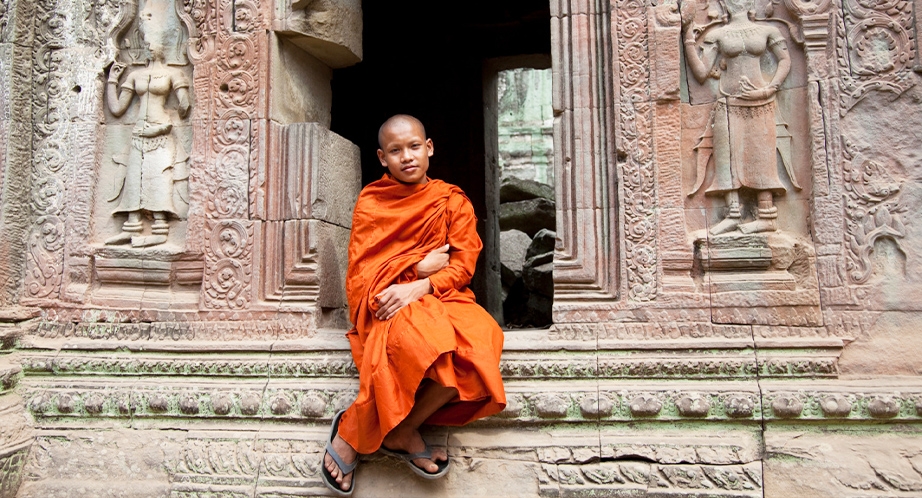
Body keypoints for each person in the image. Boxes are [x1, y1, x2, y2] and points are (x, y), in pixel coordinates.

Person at [321, 115, 507, 495]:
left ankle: (399, 429)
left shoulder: (451, 201)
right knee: (431, 344)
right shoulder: (372, 202)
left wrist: (421, 284)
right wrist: (414, 266)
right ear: (381, 157)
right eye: (395, 150)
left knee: (483, 340)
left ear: (429, 148)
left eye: (414, 146)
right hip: (386, 301)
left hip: (442, 294)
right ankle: (364, 435)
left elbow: (462, 267)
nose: (406, 156)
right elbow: (361, 274)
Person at [683, 0, 799, 235]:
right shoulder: (719, 34)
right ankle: (733, 213)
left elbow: (785, 60)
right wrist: (687, 39)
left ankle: (767, 216)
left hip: (761, 100)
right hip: (729, 101)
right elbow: (702, 73)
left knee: (761, 154)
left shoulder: (768, 30)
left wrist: (769, 88)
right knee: (727, 156)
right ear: (724, 5)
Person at [104, 4, 191, 247]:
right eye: (148, 43)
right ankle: (132, 226)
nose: (151, 47)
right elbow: (117, 109)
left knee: (159, 177)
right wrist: (112, 80)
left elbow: (185, 105)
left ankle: (160, 229)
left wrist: (177, 112)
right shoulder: (136, 76)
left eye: (155, 41)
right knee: (134, 178)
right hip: (139, 132)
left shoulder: (173, 75)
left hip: (161, 131)